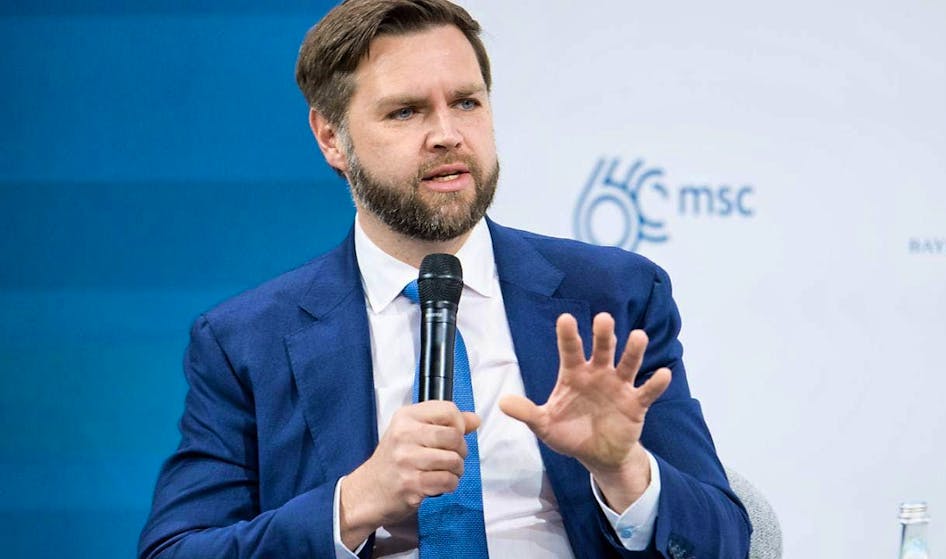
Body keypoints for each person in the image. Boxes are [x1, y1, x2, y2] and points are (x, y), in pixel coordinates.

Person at [138, 1, 751, 558]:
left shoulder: (613, 297)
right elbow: (176, 551)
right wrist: (353, 503)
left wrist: (625, 473)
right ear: (332, 138)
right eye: (406, 111)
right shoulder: (247, 340)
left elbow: (725, 540)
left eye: (466, 102)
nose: (447, 134)